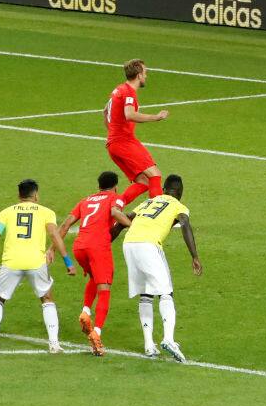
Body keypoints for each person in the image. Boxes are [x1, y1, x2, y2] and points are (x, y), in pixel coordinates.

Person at [0, 179, 75, 356]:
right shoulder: (47, 212)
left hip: (11, 262)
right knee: (46, 298)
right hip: (36, 263)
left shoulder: (5, 213)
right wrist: (68, 261)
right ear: (36, 194)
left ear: (19, 195)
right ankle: (54, 344)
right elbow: (54, 234)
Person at [119, 175, 202, 362]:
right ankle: (169, 339)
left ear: (164, 189)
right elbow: (185, 225)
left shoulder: (148, 201)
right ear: (180, 192)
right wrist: (194, 256)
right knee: (166, 293)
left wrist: (105, 243)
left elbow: (123, 220)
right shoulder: (179, 206)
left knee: (146, 292)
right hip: (148, 245)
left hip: (129, 244)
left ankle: (149, 345)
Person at [56, 171, 131, 356]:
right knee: (104, 288)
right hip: (98, 247)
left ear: (98, 186)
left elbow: (65, 225)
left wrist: (51, 250)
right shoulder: (114, 197)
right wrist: (132, 225)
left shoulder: (85, 200)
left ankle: (85, 311)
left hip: (79, 247)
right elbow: (115, 212)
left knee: (94, 277)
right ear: (115, 186)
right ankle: (96, 333)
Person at [106, 58, 169, 207]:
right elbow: (130, 114)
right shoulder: (129, 92)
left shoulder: (118, 89)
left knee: (143, 182)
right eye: (145, 73)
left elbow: (105, 111)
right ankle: (158, 214)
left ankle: (115, 208)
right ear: (139, 75)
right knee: (155, 175)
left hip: (114, 144)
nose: (146, 76)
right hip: (123, 142)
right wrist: (156, 117)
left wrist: (111, 133)